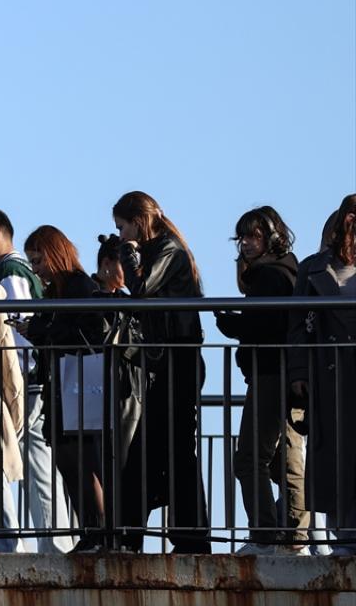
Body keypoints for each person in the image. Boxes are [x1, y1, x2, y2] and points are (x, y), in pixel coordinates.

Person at [0, 208, 71, 553]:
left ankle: (31, 545)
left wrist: (17, 377)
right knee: (35, 462)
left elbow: (20, 328)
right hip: (31, 379)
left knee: (12, 460)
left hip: (24, 380)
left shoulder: (9, 271)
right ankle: (53, 543)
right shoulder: (17, 269)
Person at [112, 191, 210, 553]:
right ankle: (154, 534)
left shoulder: (169, 249)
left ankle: (181, 536)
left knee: (174, 449)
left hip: (179, 360)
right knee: (157, 449)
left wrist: (129, 255)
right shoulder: (162, 250)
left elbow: (141, 288)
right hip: (168, 361)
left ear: (138, 221)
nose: (120, 235)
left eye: (122, 227)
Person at [214, 207, 306, 555]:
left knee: (250, 459)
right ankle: (294, 534)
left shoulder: (271, 276)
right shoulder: (285, 272)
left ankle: (265, 535)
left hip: (271, 373)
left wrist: (232, 325)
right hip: (280, 373)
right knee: (283, 461)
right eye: (242, 237)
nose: (246, 244)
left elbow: (268, 326)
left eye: (253, 236)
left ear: (271, 237)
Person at [22, 225, 112, 552]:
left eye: (38, 261)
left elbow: (79, 328)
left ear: (54, 254)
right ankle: (92, 531)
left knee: (82, 462)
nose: (35, 269)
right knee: (69, 462)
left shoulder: (78, 285)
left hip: (79, 386)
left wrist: (36, 327)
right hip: (65, 386)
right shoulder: (60, 289)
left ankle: (100, 532)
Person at [288, 194, 356, 556]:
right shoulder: (312, 268)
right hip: (328, 374)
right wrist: (298, 371)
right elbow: (297, 323)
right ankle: (342, 539)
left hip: (339, 371)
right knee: (335, 457)